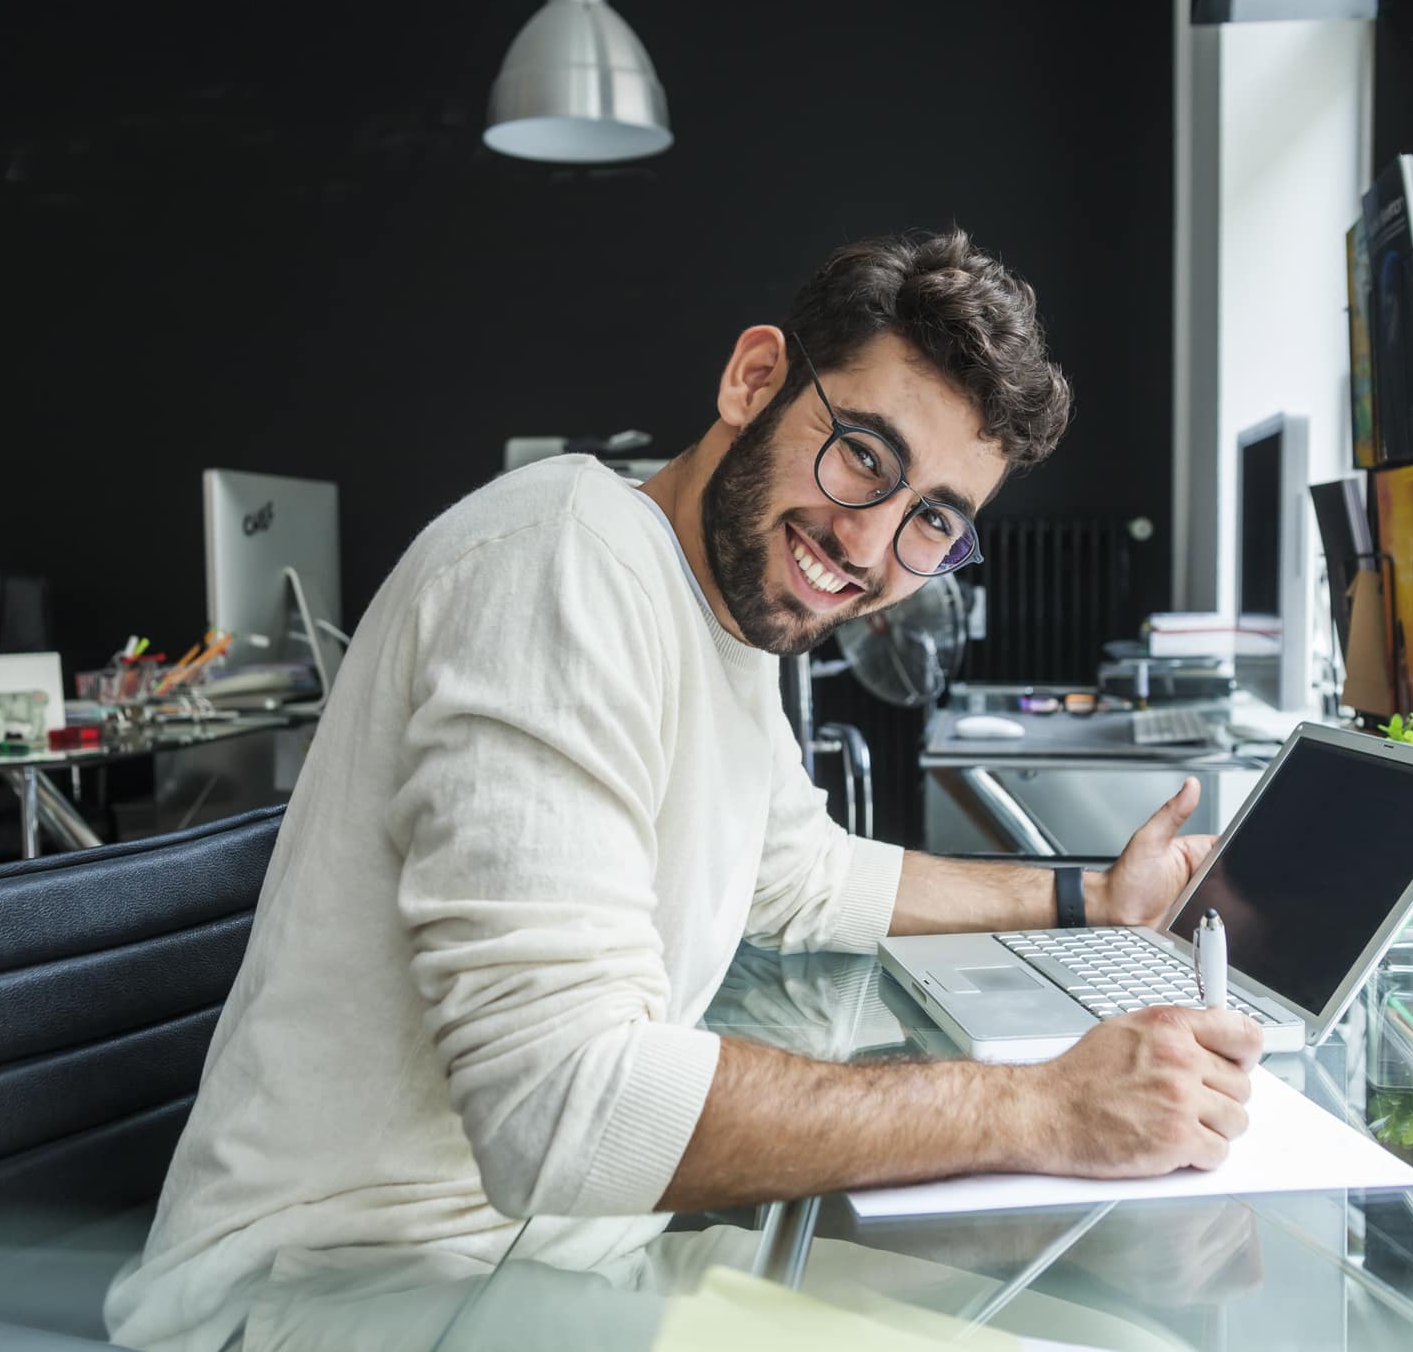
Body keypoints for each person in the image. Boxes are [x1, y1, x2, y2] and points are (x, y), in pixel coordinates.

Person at [105, 228, 1263, 1352]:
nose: (867, 545)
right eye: (865, 453)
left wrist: (1089, 898)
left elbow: (802, 875)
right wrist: (1041, 1109)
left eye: (931, 523)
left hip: (560, 1262)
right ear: (754, 377)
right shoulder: (564, 559)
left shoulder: (720, 617)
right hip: (338, 1297)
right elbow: (559, 1104)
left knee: (1107, 1334)